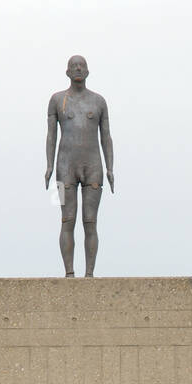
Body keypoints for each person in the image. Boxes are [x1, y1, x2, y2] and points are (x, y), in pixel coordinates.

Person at [45, 55, 114, 277]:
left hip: (93, 165)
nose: (77, 68)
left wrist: (110, 168)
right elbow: (51, 136)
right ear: (67, 72)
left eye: (81, 65)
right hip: (65, 167)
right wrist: (48, 166)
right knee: (67, 219)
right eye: (73, 66)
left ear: (87, 72)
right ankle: (69, 273)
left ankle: (90, 274)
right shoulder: (57, 100)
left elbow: (106, 137)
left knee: (90, 221)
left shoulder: (98, 102)